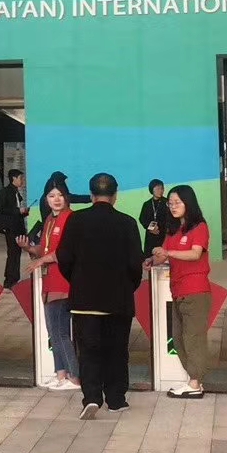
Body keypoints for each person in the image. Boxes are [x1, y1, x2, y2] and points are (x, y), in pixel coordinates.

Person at [56, 173, 144, 419]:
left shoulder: (76, 220)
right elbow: (135, 264)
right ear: (115, 196)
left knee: (88, 351)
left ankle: (92, 398)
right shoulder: (127, 223)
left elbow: (64, 257)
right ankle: (116, 399)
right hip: (118, 300)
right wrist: (127, 286)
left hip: (85, 300)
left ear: (91, 195)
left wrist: (77, 281)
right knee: (117, 351)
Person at [153, 184, 211, 399]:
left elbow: (195, 254)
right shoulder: (174, 230)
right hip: (177, 290)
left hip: (195, 291)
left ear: (189, 203)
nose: (173, 206)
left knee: (193, 338)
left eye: (177, 202)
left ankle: (195, 382)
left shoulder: (199, 227)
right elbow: (164, 255)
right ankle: (193, 379)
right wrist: (153, 258)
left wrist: (168, 252)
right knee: (178, 338)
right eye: (170, 203)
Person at [21, 181, 79, 392]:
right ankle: (60, 374)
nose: (56, 199)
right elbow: (45, 249)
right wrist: (29, 248)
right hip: (49, 282)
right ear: (46, 199)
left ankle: (74, 377)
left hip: (63, 282)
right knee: (52, 331)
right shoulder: (49, 220)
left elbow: (65, 251)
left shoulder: (70, 219)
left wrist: (42, 260)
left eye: (60, 195)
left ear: (66, 197)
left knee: (62, 332)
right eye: (52, 196)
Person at [0, 169, 29, 287]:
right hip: (10, 227)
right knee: (12, 253)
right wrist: (18, 211)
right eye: (20, 178)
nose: (22, 181)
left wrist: (24, 212)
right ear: (14, 178)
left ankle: (15, 277)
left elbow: (16, 210)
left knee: (17, 253)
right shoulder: (5, 192)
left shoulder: (16, 192)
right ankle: (9, 279)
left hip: (18, 226)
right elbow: (2, 209)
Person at [137, 180, 173, 262]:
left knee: (164, 260)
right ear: (152, 190)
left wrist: (163, 228)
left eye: (162, 188)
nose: (160, 191)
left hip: (164, 235)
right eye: (157, 189)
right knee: (150, 260)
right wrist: (151, 228)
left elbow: (171, 218)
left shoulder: (167, 202)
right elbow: (142, 218)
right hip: (151, 237)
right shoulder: (147, 204)